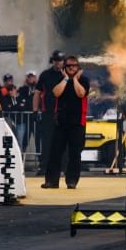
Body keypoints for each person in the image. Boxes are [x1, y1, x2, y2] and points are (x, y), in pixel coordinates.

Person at [41, 55, 90, 189]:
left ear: (78, 68)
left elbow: (81, 93)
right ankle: (52, 180)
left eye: (74, 66)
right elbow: (56, 93)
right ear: (64, 68)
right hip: (61, 121)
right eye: (68, 66)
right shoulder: (60, 79)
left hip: (77, 122)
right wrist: (66, 79)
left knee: (75, 153)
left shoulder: (84, 80)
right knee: (55, 152)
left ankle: (72, 180)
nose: (71, 68)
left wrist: (74, 79)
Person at [34, 50, 65, 176]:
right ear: (53, 61)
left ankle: (63, 167)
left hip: (64, 112)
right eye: (56, 60)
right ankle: (45, 167)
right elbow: (37, 92)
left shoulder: (67, 75)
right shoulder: (45, 75)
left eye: (60, 60)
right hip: (48, 112)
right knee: (47, 141)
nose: (58, 63)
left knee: (63, 141)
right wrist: (35, 110)